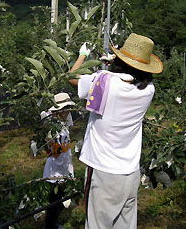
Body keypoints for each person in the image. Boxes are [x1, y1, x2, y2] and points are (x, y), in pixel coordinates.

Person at [69, 33, 163, 229]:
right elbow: (128, 77)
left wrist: (83, 55)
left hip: (104, 172)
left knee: (97, 225)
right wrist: (116, 61)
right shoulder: (148, 90)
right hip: (129, 173)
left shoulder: (104, 81)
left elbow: (72, 76)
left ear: (120, 61)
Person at [42, 92, 75, 229]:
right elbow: (49, 145)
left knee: (61, 199)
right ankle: (50, 225)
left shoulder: (62, 124)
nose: (68, 111)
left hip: (64, 167)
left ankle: (53, 223)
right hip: (55, 170)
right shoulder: (52, 125)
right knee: (54, 201)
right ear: (59, 110)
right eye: (65, 108)